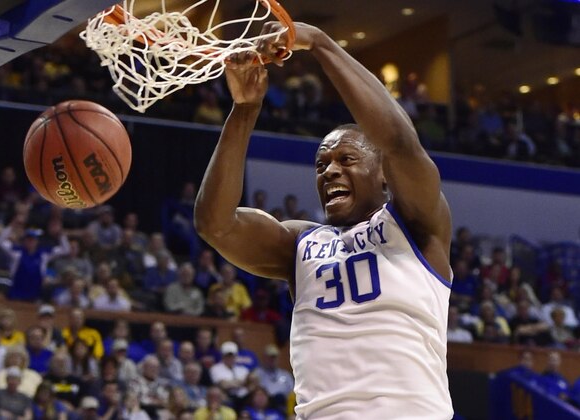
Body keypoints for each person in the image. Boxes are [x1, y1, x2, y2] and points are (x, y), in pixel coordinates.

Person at [193, 21, 453, 418]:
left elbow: (399, 142)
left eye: (346, 159)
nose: (329, 171)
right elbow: (216, 224)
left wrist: (319, 42)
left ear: (382, 172)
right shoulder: (301, 244)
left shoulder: (417, 223)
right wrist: (245, 111)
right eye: (321, 164)